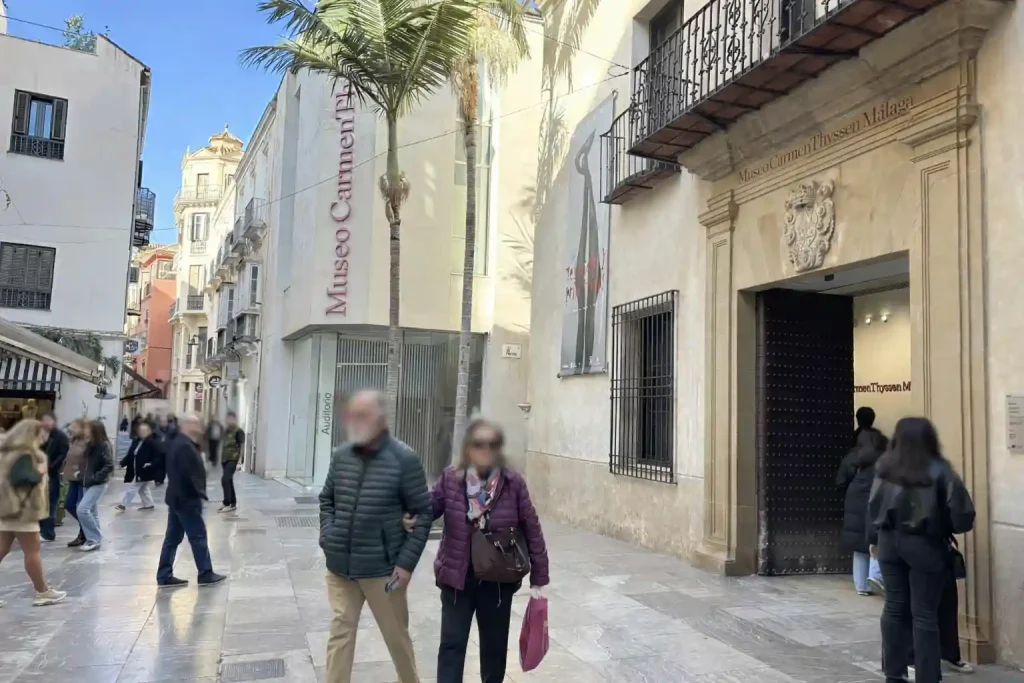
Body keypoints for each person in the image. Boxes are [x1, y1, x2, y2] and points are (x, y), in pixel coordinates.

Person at [403, 418, 550, 683]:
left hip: (497, 580)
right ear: (468, 448)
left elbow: (532, 527)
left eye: (492, 444)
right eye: (479, 444)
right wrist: (407, 513)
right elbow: (430, 506)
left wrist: (540, 576)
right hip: (457, 577)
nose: (486, 450)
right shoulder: (451, 477)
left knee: (493, 652)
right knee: (452, 646)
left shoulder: (512, 482)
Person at [319, 390, 432, 683]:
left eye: (361, 415)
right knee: (340, 635)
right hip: (340, 567)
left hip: (384, 571)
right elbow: (326, 499)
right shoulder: (341, 455)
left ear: (380, 419)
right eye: (351, 414)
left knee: (397, 640)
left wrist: (405, 565)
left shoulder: (404, 459)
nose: (353, 421)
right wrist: (328, 535)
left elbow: (422, 514)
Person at [868, 417, 976, 683]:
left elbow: (873, 506)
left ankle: (894, 673)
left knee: (894, 607)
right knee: (924, 613)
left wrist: (874, 539)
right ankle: (928, 676)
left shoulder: (884, 467)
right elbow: (963, 516)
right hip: (925, 544)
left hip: (889, 542)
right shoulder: (940, 471)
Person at [0, 419, 67, 607]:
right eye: (41, 434)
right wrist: (41, 471)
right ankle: (42, 591)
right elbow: (23, 479)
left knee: (2, 549)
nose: (44, 438)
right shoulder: (26, 454)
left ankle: (43, 590)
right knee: (32, 551)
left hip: (7, 509)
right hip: (23, 510)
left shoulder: (7, 452)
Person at [157, 413, 225, 588]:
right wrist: (199, 493)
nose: (199, 427)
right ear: (186, 425)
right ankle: (205, 573)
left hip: (176, 498)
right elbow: (188, 475)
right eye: (196, 424)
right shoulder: (184, 445)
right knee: (198, 536)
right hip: (186, 499)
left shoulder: (179, 442)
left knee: (172, 539)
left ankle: (164, 575)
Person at [837, 425, 888, 595]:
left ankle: (861, 585)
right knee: (876, 541)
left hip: (854, 502)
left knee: (859, 548)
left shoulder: (854, 457)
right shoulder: (885, 459)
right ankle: (875, 576)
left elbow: (841, 480)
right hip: (871, 502)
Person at [77, 420, 114, 552]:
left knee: (82, 509)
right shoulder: (90, 445)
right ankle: (95, 539)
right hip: (86, 482)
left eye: (88, 429)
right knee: (92, 511)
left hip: (98, 483)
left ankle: (94, 538)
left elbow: (109, 465)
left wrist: (95, 477)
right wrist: (80, 474)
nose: (85, 431)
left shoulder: (104, 445)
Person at [115, 421, 163, 512]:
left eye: (144, 430)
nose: (142, 432)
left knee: (133, 487)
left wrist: (151, 463)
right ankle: (149, 504)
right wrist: (122, 464)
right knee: (143, 488)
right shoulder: (136, 441)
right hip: (137, 468)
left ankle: (123, 505)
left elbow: (159, 455)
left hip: (145, 469)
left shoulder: (152, 442)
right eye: (140, 430)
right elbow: (130, 454)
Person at [38, 412, 69, 542]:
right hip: (41, 474)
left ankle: (48, 533)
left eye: (48, 420)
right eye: (43, 420)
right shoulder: (43, 435)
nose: (45, 423)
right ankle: (41, 530)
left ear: (54, 421)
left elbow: (63, 455)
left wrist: (51, 466)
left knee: (50, 503)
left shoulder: (60, 436)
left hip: (52, 474)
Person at [61, 419, 88, 547]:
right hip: (73, 478)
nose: (71, 428)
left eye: (75, 426)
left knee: (81, 508)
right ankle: (87, 529)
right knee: (69, 504)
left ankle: (85, 533)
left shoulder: (87, 441)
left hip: (82, 479)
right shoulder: (74, 440)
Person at [218, 412, 244, 513]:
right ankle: (233, 503)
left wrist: (240, 462)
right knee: (228, 480)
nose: (229, 421)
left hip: (233, 459)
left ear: (235, 419)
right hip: (225, 459)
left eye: (231, 419)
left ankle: (226, 502)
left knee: (225, 479)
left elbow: (242, 447)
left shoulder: (239, 431)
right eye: (227, 419)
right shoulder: (226, 431)